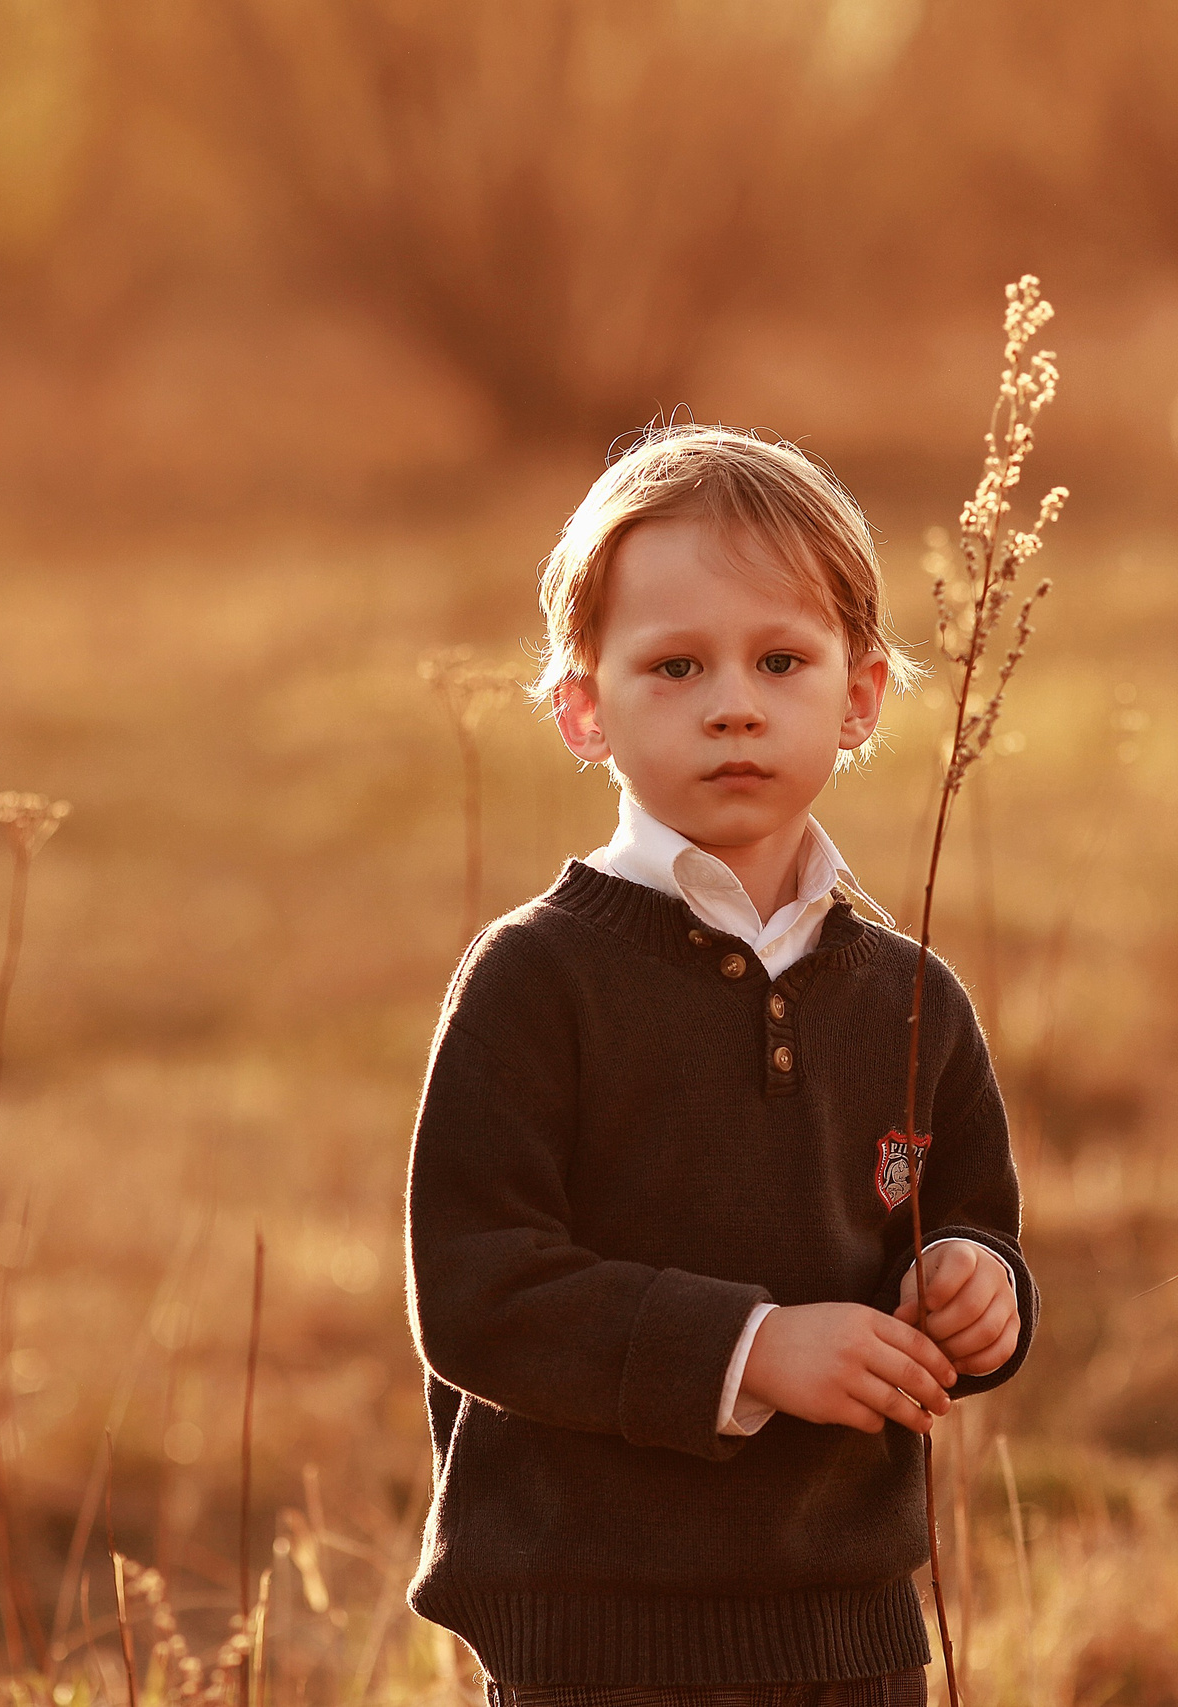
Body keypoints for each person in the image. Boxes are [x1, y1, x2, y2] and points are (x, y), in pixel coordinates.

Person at [404, 424, 1039, 1703]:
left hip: (850, 1631)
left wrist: (978, 1285)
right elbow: (479, 1288)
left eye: (780, 660)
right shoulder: (536, 979)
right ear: (585, 707)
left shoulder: (913, 998)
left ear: (859, 697)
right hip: (593, 1634)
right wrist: (749, 1350)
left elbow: (969, 1220)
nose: (734, 701)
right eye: (676, 665)